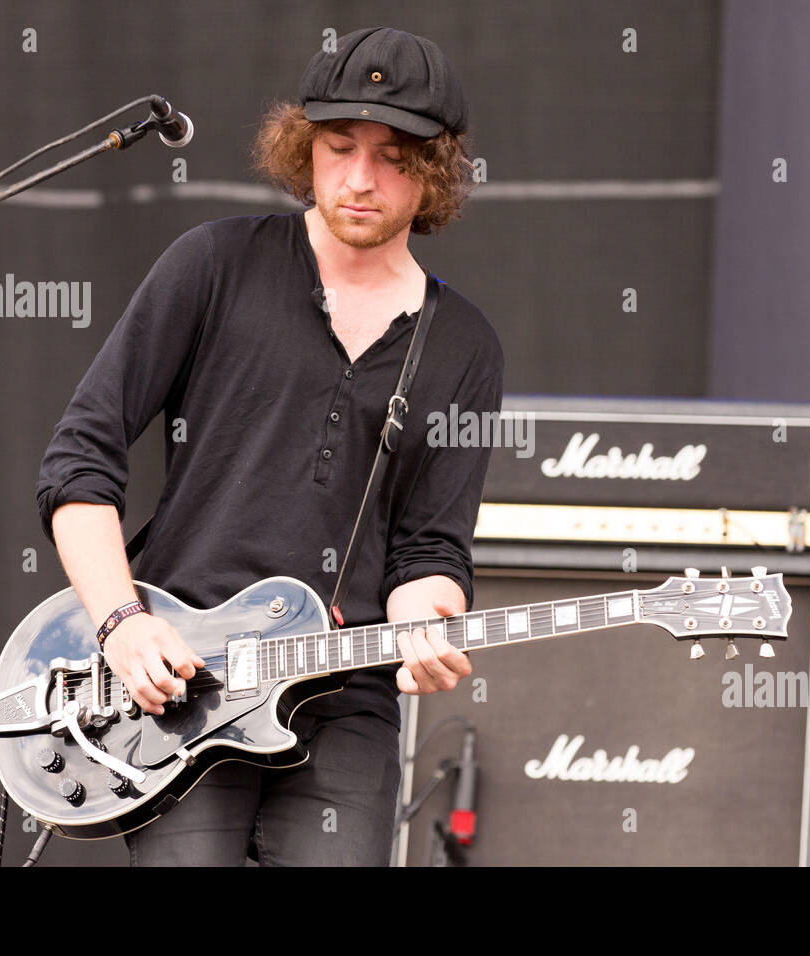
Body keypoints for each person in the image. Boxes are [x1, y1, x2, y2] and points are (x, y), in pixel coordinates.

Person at [34, 27, 503, 866]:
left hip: (346, 696)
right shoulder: (212, 266)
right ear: (303, 147)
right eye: (338, 147)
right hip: (185, 678)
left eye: (394, 156)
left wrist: (427, 621)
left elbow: (430, 548)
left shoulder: (463, 344)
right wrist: (122, 625)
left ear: (435, 170)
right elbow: (80, 459)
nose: (360, 179)